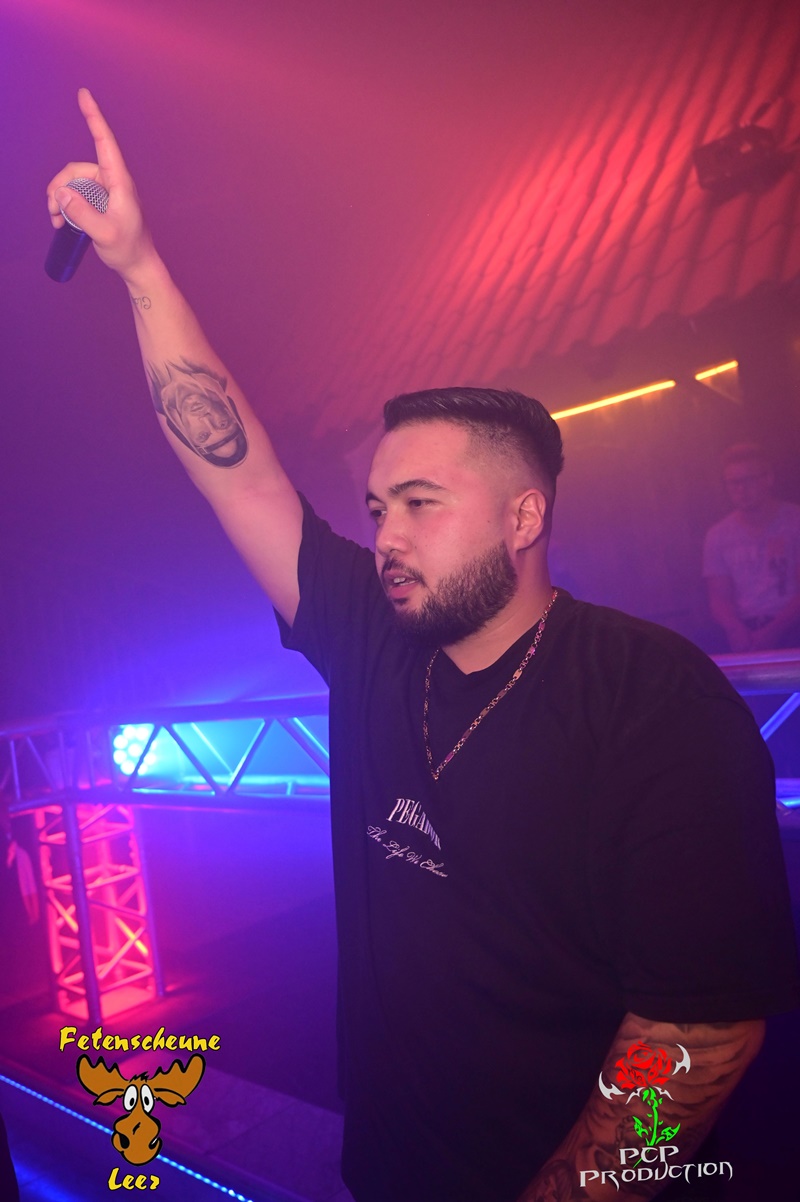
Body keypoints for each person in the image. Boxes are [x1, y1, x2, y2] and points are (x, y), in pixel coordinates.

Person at [48, 91, 800, 1202]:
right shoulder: (372, 633)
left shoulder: (652, 699)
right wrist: (140, 266)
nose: (385, 534)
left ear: (523, 516)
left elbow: (699, 1026)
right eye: (375, 505)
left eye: (418, 503)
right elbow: (235, 467)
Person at [703, 443, 800, 652]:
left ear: (768, 479)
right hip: (744, 629)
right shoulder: (717, 535)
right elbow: (719, 597)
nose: (741, 489)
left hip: (793, 625)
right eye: (733, 483)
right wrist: (735, 630)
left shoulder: (795, 522)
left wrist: (774, 630)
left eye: (748, 480)